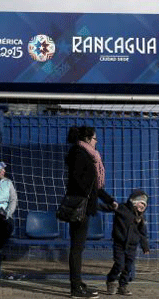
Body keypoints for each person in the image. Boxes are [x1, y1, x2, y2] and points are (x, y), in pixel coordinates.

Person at [64, 126, 118, 298]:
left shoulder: (85, 154)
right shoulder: (80, 154)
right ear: (87, 139)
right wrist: (95, 197)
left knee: (78, 247)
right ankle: (75, 288)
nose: (96, 142)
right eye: (95, 138)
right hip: (80, 206)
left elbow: (93, 185)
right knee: (77, 248)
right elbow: (82, 182)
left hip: (84, 205)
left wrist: (109, 200)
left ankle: (77, 283)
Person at [102, 189, 150, 296]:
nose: (143, 206)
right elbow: (109, 208)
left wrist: (145, 246)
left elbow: (143, 233)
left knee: (128, 267)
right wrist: (94, 206)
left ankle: (123, 286)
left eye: (145, 204)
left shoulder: (140, 218)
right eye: (141, 203)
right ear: (133, 201)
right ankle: (110, 280)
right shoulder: (122, 208)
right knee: (119, 264)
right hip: (119, 244)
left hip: (132, 246)